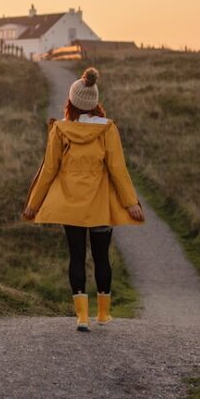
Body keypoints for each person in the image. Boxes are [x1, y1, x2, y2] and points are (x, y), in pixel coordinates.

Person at [22, 67, 144, 332]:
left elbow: (48, 170)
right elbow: (118, 169)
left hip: (70, 204)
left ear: (72, 101)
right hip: (100, 204)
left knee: (76, 256)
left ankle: (81, 317)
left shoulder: (60, 130)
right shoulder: (108, 129)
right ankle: (103, 314)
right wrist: (131, 202)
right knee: (102, 257)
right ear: (95, 103)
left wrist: (34, 203)